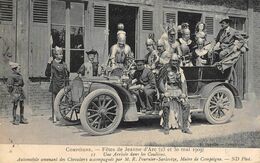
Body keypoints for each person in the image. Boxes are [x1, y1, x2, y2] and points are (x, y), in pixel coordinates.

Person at [158, 53, 192, 134]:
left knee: (186, 104)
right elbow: (161, 83)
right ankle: (166, 127)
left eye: (176, 61)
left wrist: (183, 93)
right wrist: (165, 92)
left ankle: (185, 127)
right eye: (173, 60)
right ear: (170, 60)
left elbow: (183, 83)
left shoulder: (180, 70)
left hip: (177, 90)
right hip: (168, 90)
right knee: (166, 104)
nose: (174, 62)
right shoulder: (165, 69)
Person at [45, 46, 69, 122]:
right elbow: (47, 74)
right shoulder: (52, 63)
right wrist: (48, 63)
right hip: (55, 84)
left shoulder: (64, 64)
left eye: (62, 54)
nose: (62, 55)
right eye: (60, 54)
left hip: (63, 85)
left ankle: (62, 116)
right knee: (55, 101)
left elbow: (67, 75)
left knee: (63, 101)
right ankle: (54, 116)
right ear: (55, 55)